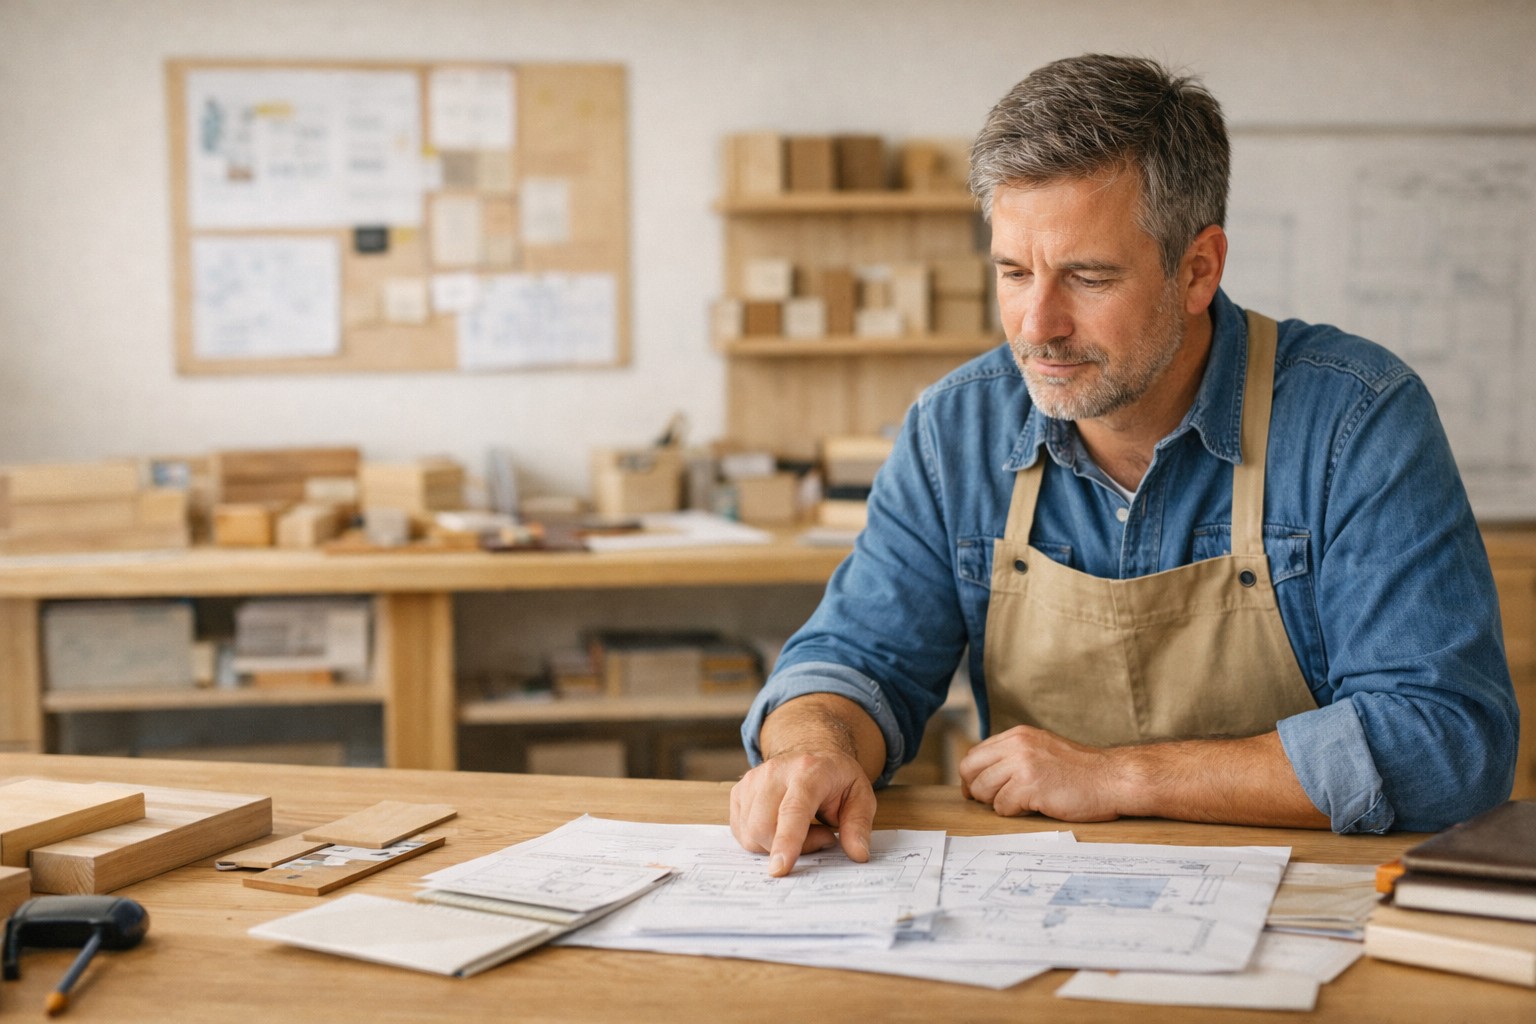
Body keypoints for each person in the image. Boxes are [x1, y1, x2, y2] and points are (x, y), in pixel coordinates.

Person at [729, 53, 1520, 877]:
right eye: (1012, 272)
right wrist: (812, 746)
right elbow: (858, 661)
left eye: (1088, 276)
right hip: (1039, 900)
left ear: (1197, 270)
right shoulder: (953, 431)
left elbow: (1448, 744)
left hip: (1307, 907)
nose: (1038, 323)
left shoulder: (1355, 419)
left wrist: (1121, 775)